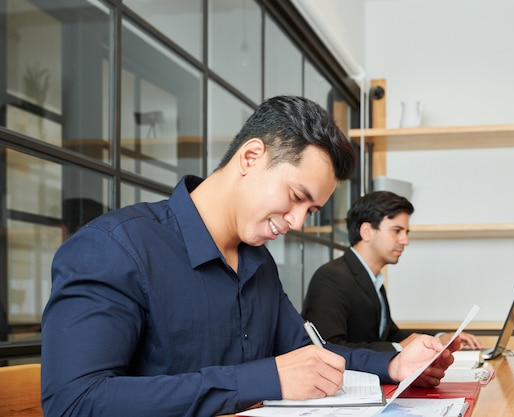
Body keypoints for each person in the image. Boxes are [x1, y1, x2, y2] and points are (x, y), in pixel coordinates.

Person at [41, 96, 460, 417]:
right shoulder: (115, 247)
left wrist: (395, 365)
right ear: (251, 156)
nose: (297, 222)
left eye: (310, 211)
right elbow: (74, 401)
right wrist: (266, 378)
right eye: (297, 197)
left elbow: (312, 353)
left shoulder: (259, 263)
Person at [302, 190, 483, 352]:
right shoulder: (332, 277)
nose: (405, 240)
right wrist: (398, 348)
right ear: (366, 232)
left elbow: (389, 335)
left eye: (406, 232)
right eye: (397, 231)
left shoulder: (374, 279)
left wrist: (439, 337)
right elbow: (326, 347)